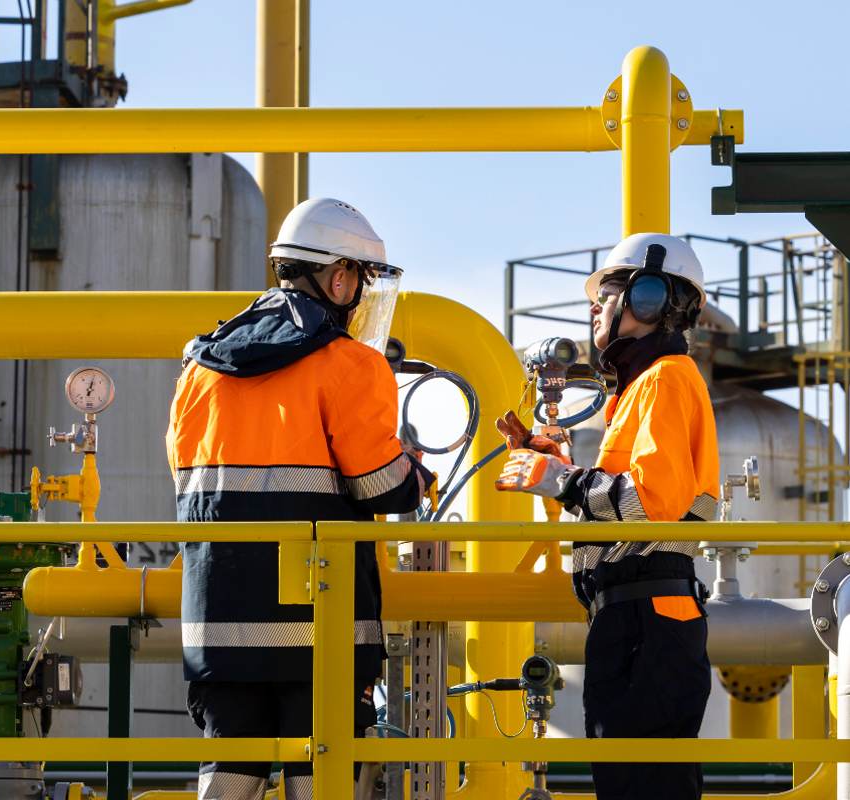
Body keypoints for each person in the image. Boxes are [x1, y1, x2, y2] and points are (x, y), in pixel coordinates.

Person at [166, 198, 432, 799]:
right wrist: (415, 471)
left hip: (217, 627)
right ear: (338, 277)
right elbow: (382, 485)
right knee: (322, 779)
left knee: (229, 775)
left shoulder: (200, 369)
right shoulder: (350, 365)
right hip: (322, 628)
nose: (361, 295)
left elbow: (191, 489)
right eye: (361, 281)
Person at [495, 232, 718, 800]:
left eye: (608, 292)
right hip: (638, 619)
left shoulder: (665, 380)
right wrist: (562, 467)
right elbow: (623, 503)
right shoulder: (640, 389)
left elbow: (649, 503)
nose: (594, 306)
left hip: (648, 623)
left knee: (642, 786)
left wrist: (559, 480)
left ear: (647, 300)